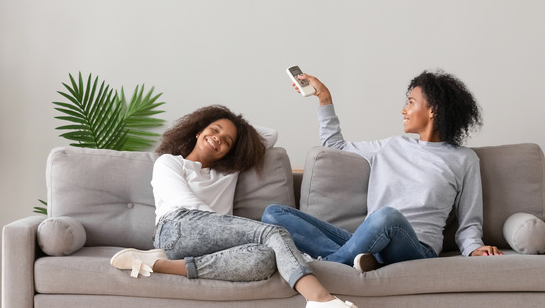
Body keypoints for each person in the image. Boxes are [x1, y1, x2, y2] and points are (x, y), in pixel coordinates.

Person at [109, 105, 357, 308]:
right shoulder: (170, 163)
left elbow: (270, 135)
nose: (217, 138)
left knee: (265, 258)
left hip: (208, 245)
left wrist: (238, 134)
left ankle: (159, 265)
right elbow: (185, 204)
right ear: (197, 131)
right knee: (271, 233)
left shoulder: (228, 173)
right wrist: (233, 230)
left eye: (226, 141)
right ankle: (320, 299)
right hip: (176, 229)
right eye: (213, 129)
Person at [262, 70, 502, 273]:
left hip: (416, 248)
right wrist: (324, 98)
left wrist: (473, 248)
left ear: (433, 110)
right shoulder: (391, 146)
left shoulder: (464, 159)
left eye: (410, 102)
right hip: (370, 240)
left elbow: (470, 219)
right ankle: (356, 260)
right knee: (274, 213)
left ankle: (332, 266)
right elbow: (335, 146)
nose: (403, 110)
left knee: (387, 216)